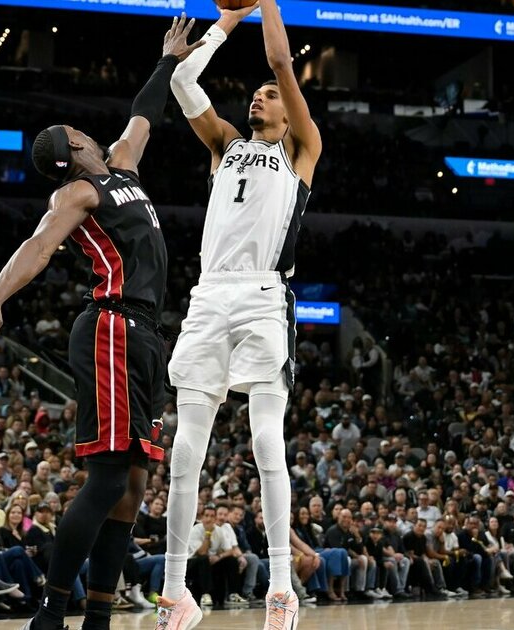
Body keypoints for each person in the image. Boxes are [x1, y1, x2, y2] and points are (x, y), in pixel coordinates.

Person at [0, 17, 204, 630]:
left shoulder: (121, 166)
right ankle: (52, 609)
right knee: (109, 473)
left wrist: (167, 59)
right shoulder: (76, 196)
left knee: (134, 485)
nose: (88, 129)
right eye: (76, 132)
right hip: (111, 327)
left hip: (144, 332)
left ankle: (97, 614)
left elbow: (146, 112)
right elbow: (36, 248)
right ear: (73, 152)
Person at [160, 0, 323, 625]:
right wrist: (226, 21)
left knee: (263, 441)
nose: (259, 97)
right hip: (208, 295)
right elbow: (181, 81)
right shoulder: (225, 144)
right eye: (253, 93)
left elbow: (280, 59)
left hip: (261, 296)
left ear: (287, 107)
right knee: (185, 453)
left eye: (268, 95)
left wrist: (268, 3)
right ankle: (175, 592)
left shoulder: (301, 149)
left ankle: (281, 586)